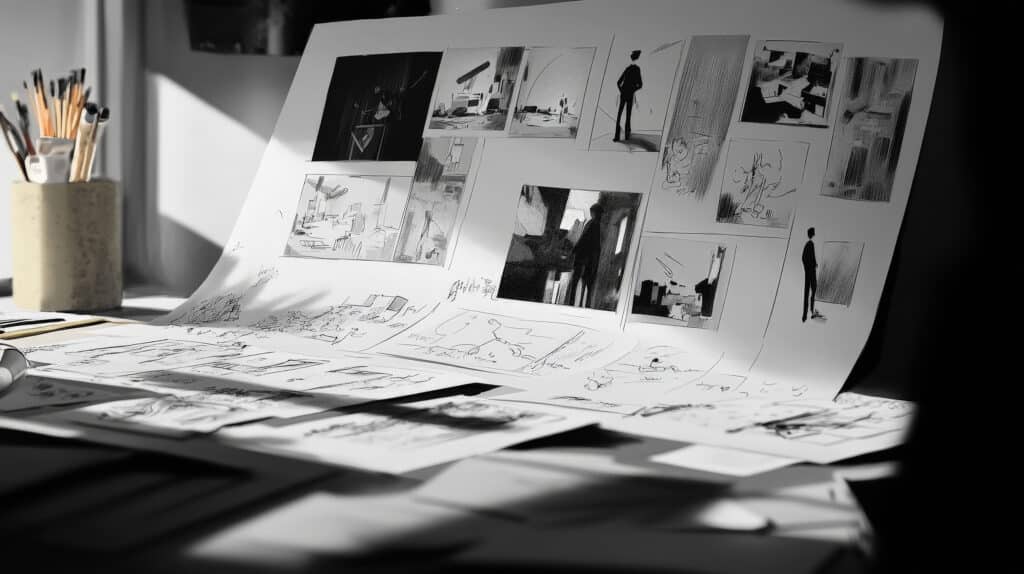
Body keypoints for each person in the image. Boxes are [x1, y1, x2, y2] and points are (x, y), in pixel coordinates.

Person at [568, 204, 604, 308]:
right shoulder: (595, 224)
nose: (600, 215)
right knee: (584, 283)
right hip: (589, 260)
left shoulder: (593, 223)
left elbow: (584, 238)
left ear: (593, 212)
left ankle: (573, 304)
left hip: (584, 258)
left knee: (577, 282)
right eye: (599, 213)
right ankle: (578, 305)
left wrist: (574, 250)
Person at [615, 50, 643, 141]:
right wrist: (633, 90)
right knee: (628, 115)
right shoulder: (637, 69)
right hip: (630, 95)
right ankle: (627, 136)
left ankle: (617, 136)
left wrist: (622, 90)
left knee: (619, 114)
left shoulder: (627, 69)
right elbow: (640, 85)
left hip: (624, 94)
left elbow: (618, 82)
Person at [802, 227, 824, 322]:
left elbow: (807, 257)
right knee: (811, 290)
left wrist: (813, 264)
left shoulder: (809, 244)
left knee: (809, 291)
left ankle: (808, 313)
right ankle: (809, 312)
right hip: (810, 272)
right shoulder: (810, 244)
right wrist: (809, 267)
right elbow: (805, 258)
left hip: (810, 271)